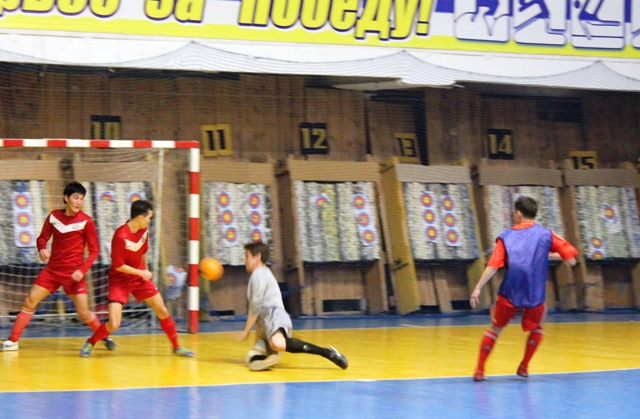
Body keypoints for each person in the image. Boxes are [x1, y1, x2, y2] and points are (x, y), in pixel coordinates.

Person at [470, 196, 578, 381]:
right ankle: (524, 366)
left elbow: (493, 265)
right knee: (540, 323)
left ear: (518, 214)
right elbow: (571, 261)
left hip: (510, 292)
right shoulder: (547, 234)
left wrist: (478, 287)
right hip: (534, 294)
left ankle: (479, 370)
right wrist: (547, 255)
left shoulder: (506, 237)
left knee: (495, 329)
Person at [0, 182, 115, 351]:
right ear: (66, 198)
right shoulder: (53, 216)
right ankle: (13, 341)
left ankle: (103, 336)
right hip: (52, 271)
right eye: (75, 197)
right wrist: (42, 248)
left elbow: (94, 251)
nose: (78, 202)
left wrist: (81, 270)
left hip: (74, 274)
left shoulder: (87, 221)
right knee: (30, 301)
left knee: (83, 312)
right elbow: (42, 238)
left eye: (81, 199)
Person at [79, 200, 193, 357]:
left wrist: (145, 269)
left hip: (139, 278)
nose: (150, 221)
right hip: (119, 281)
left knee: (162, 310)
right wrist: (141, 273)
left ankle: (177, 347)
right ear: (140, 218)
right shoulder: (120, 236)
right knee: (114, 323)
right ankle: (91, 342)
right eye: (149, 218)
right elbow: (118, 265)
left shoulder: (144, 231)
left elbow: (143, 251)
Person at [235, 242, 348, 371]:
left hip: (274, 316)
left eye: (247, 256)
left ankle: (327, 352)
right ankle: (267, 356)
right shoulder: (259, 275)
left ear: (258, 257)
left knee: (277, 343)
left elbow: (256, 306)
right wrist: (259, 339)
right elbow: (259, 315)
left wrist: (246, 331)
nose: (244, 260)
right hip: (267, 323)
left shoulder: (259, 274)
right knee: (254, 354)